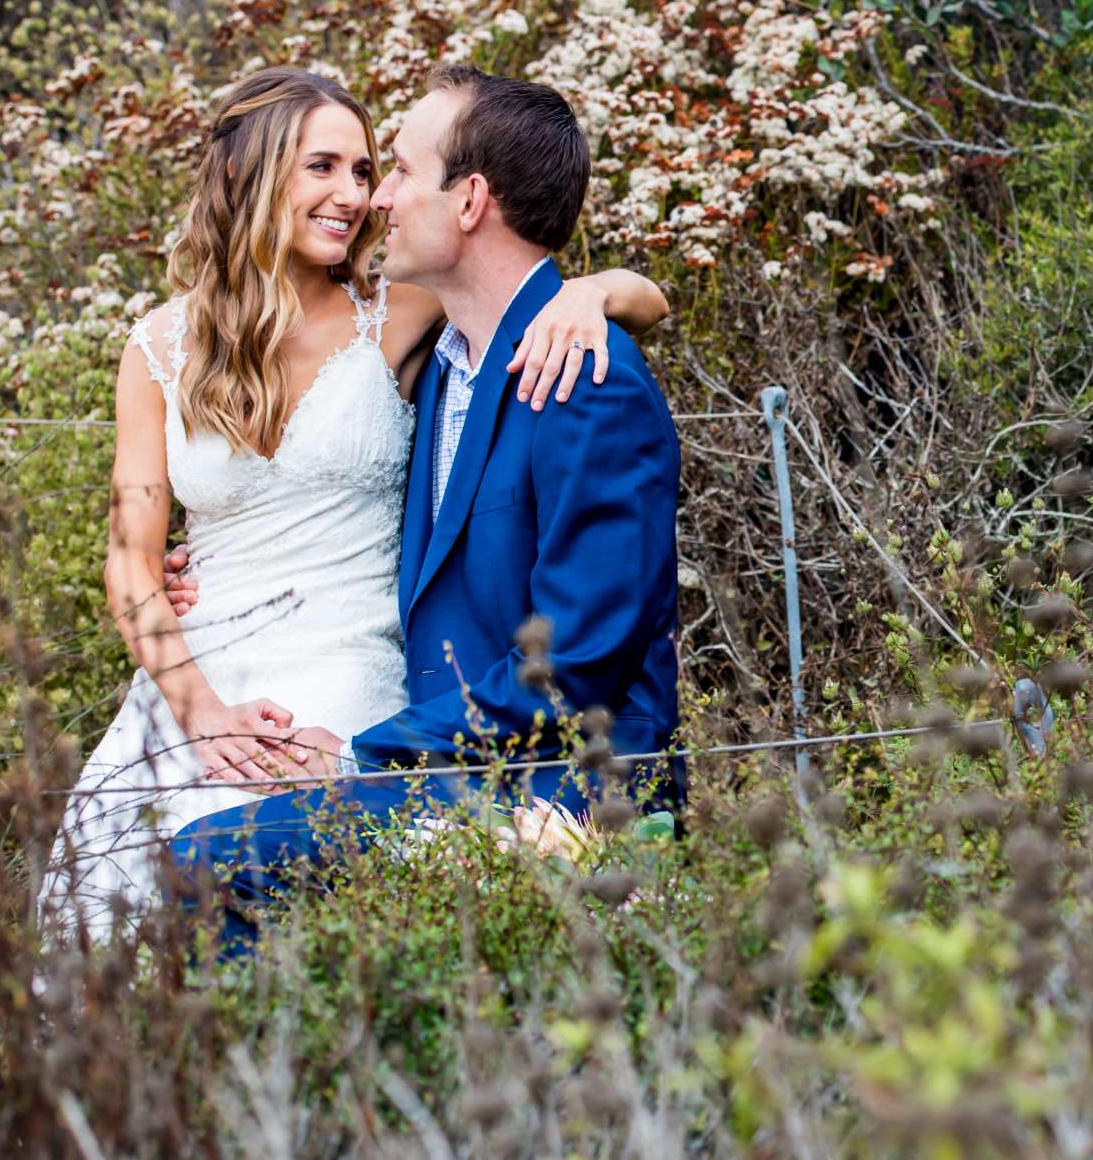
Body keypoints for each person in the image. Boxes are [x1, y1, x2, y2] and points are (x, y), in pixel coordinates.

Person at [38, 66, 668, 944]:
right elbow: (131, 554)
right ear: (245, 175)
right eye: (323, 167)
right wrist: (199, 708)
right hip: (204, 679)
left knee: (298, 916)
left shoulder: (405, 318)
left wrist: (591, 292)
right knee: (109, 914)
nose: (358, 196)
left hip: (354, 677)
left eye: (370, 170)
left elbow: (572, 293)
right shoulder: (155, 347)